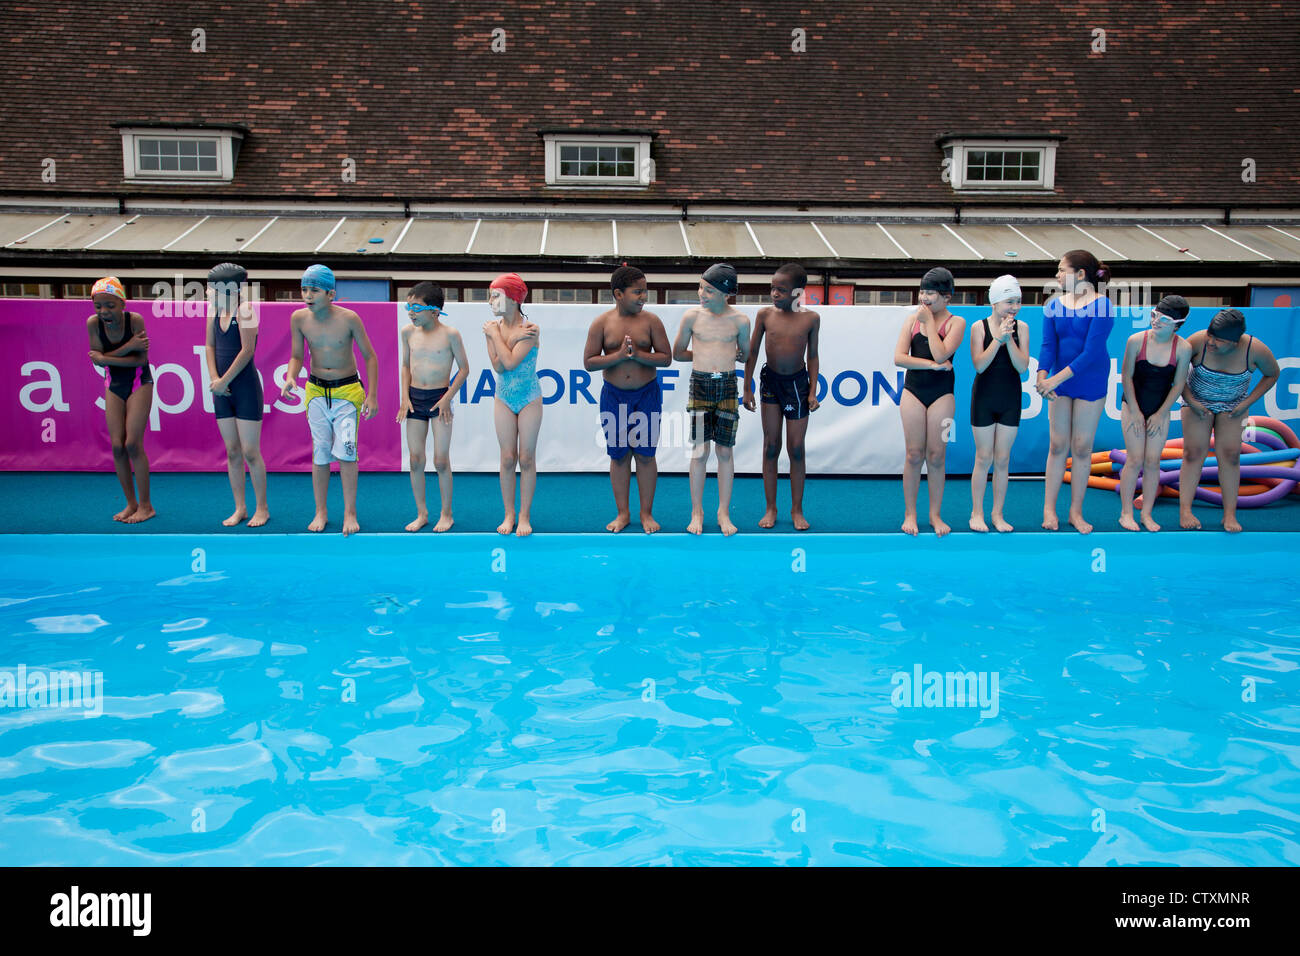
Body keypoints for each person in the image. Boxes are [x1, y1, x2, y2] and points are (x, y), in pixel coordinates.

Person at [280, 264, 378, 535]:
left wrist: (372, 395)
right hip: (316, 393)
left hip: (347, 393)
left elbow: (370, 356)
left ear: (331, 294)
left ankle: (349, 512)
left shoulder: (349, 319)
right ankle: (321, 511)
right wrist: (291, 376)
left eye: (314, 290)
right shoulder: (299, 318)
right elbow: (297, 356)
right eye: (304, 290)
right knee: (321, 453)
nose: (308, 295)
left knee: (346, 453)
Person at [583, 264, 672, 533]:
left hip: (647, 395)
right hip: (614, 395)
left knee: (645, 455)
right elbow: (589, 362)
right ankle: (623, 513)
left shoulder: (652, 322)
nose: (644, 297)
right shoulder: (602, 323)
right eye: (638, 292)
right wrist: (619, 356)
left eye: (645, 292)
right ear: (618, 294)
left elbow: (666, 358)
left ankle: (646, 514)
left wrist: (637, 355)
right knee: (619, 456)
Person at [1178, 308, 1280, 533]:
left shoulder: (1255, 350)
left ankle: (1229, 515)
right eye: (1210, 335)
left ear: (1235, 342)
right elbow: (1176, 372)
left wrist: (1246, 403)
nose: (1211, 342)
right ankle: (1185, 510)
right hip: (1197, 403)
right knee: (1193, 453)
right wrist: (1191, 400)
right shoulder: (1197, 341)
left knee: (1231, 456)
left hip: (1233, 406)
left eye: (1219, 340)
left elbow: (1273, 373)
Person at [1036, 250, 1115, 534]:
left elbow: (1092, 352)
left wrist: (1054, 380)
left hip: (1089, 381)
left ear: (1080, 274)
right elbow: (1048, 346)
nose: (1056, 275)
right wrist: (1041, 376)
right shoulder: (1053, 305)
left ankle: (1076, 512)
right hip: (1059, 381)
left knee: (1082, 448)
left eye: (1061, 270)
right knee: (1057, 445)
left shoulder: (1102, 306)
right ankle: (1049, 510)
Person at [672, 262, 751, 536]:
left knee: (725, 451)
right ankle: (697, 511)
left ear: (725, 293)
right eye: (700, 287)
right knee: (699, 451)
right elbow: (678, 352)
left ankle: (723, 512)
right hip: (701, 386)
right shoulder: (692, 317)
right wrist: (705, 356)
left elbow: (745, 353)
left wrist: (724, 358)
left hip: (728, 385)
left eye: (708, 290)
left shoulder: (740, 321)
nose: (701, 294)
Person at [742, 262, 821, 530]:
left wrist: (812, 391)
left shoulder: (811, 319)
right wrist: (747, 387)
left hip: (797, 385)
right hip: (770, 383)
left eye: (782, 290)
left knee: (796, 448)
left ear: (798, 293)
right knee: (771, 445)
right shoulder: (765, 315)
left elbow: (812, 355)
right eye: (773, 288)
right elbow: (752, 353)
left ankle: (797, 509)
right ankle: (770, 508)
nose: (775, 294)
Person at [893, 267, 966, 536]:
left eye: (931, 293)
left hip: (943, 395)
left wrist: (930, 325)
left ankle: (935, 515)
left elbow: (941, 352)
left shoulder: (956, 323)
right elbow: (899, 358)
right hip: (913, 392)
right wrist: (931, 366)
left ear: (947, 297)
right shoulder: (911, 321)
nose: (924, 298)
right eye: (922, 291)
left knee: (937, 456)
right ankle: (910, 513)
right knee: (913, 454)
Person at [397, 281, 469, 532]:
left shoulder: (450, 335)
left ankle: (446, 514)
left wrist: (448, 397)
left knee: (440, 460)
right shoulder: (407, 332)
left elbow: (464, 369)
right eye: (408, 306)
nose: (410, 312)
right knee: (416, 459)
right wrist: (404, 397)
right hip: (415, 398)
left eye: (416, 307)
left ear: (435, 311)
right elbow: (405, 366)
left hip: (440, 399)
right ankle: (422, 513)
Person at [1117, 295, 1192, 532]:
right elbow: (1126, 376)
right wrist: (1136, 412)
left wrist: (1161, 414)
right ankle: (1126, 513)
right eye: (1154, 315)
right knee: (1135, 458)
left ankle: (1146, 514)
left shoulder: (1182, 348)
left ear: (1177, 324)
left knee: (1152, 462)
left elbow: (1178, 384)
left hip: (1161, 409)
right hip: (1132, 406)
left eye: (1164, 319)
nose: (1156, 321)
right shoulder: (1136, 341)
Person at [204, 262, 268, 527]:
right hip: (222, 388)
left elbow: (247, 351)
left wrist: (225, 380)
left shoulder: (245, 311)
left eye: (210, 288)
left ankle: (261, 508)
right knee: (232, 451)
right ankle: (240, 507)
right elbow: (209, 345)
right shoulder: (214, 310)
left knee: (251, 451)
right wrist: (214, 380)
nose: (206, 293)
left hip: (244, 388)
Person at [86, 276, 155, 523]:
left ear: (122, 303)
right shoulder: (93, 324)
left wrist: (106, 358)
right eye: (98, 306)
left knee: (133, 443)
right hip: (113, 385)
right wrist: (126, 349)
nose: (104, 311)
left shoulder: (135, 320)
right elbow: (98, 358)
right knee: (117, 445)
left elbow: (140, 361)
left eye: (110, 305)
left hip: (139, 383)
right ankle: (131, 503)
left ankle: (146, 506)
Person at [969, 274, 1030, 533]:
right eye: (1009, 302)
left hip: (1010, 398)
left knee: (1003, 459)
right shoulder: (979, 327)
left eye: (1017, 301)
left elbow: (1022, 367)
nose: (1014, 307)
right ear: (994, 302)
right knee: (984, 457)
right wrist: (998, 339)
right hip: (984, 396)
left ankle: (998, 514)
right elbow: (980, 365)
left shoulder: (1023, 328)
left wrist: (1011, 339)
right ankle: (977, 513)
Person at [483, 273, 542, 537]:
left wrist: (496, 337)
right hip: (503, 396)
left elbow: (509, 363)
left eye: (496, 295)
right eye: (490, 295)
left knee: (526, 458)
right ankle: (509, 513)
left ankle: (524, 516)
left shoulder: (531, 329)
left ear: (514, 298)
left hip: (529, 397)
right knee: (507, 458)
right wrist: (504, 338)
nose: (491, 301)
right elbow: (497, 366)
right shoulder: (492, 328)